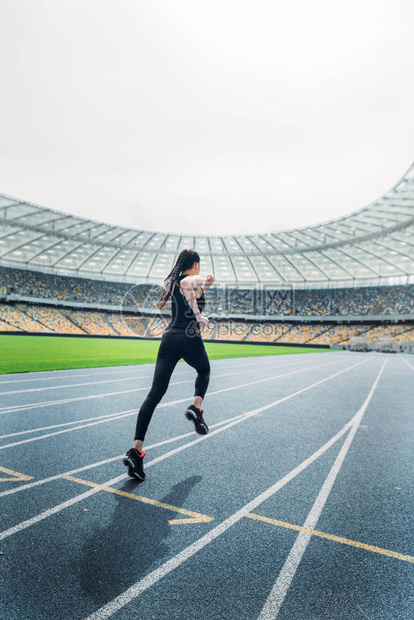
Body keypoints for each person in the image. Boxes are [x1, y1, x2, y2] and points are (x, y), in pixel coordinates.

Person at [122, 249, 215, 481]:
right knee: (204, 370)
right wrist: (199, 315)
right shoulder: (190, 279)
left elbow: (187, 290)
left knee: (154, 395)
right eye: (199, 267)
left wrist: (201, 297)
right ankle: (196, 407)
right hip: (189, 336)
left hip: (169, 339)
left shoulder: (173, 283)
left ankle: (136, 450)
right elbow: (189, 285)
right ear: (195, 264)